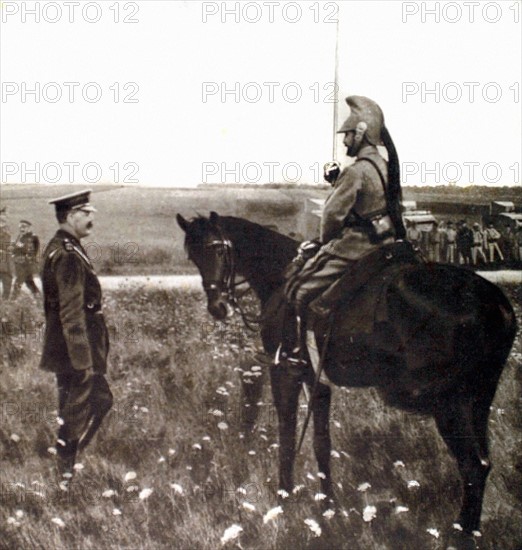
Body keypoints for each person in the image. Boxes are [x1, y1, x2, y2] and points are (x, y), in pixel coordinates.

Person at [279, 95, 406, 366]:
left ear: (361, 133)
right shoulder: (383, 167)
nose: (345, 142)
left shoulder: (356, 171)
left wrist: (325, 242)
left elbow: (332, 215)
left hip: (357, 246)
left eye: (347, 136)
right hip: (384, 244)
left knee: (298, 289)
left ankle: (300, 356)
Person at [40, 189, 113, 487]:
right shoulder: (68, 254)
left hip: (66, 344)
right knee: (81, 404)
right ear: (71, 216)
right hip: (76, 347)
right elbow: (71, 312)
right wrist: (82, 361)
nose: (91, 217)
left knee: (92, 401)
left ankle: (66, 459)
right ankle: (65, 468)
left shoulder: (62, 246)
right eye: (86, 212)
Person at [11, 219, 40, 299]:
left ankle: (13, 299)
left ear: (29, 228)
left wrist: (31, 258)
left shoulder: (33, 237)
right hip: (19, 262)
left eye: (24, 227)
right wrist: (13, 253)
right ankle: (38, 296)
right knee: (29, 281)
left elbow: (33, 249)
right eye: (20, 227)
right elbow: (16, 249)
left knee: (19, 280)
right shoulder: (21, 237)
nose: (21, 229)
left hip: (26, 263)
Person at [0, 208, 13, 299]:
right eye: (4, 215)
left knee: (8, 279)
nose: (6, 216)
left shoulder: (7, 230)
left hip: (6, 261)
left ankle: (5, 302)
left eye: (7, 215)